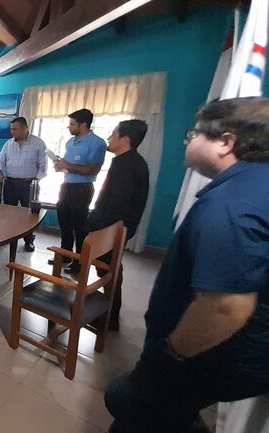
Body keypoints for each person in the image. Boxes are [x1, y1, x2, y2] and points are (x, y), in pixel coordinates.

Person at [104, 97, 269, 433]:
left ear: (225, 142)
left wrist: (175, 351)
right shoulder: (256, 184)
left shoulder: (230, 206)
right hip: (241, 352)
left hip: (209, 353)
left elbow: (227, 306)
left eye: (194, 134)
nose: (188, 140)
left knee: (129, 404)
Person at [83, 120, 149, 331]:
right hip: (117, 228)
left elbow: (117, 205)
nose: (109, 139)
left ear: (125, 140)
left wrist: (93, 226)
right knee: (110, 270)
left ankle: (109, 315)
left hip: (112, 229)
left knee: (109, 271)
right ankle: (110, 312)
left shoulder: (125, 165)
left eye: (113, 135)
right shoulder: (131, 161)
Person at [52, 109, 107, 273]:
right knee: (64, 223)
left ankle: (79, 261)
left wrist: (67, 165)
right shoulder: (71, 142)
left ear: (83, 125)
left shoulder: (97, 143)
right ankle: (65, 255)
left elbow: (93, 170)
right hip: (66, 186)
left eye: (72, 124)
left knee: (79, 227)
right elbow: (69, 165)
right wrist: (60, 165)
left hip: (82, 189)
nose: (69, 127)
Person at [0, 117, 47, 251]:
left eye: (15, 129)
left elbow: (43, 167)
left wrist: (35, 181)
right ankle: (8, 237)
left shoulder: (38, 143)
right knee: (8, 213)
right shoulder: (8, 144)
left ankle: (28, 240)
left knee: (29, 216)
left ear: (25, 129)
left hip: (29, 184)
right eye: (11, 129)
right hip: (10, 183)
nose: (12, 132)